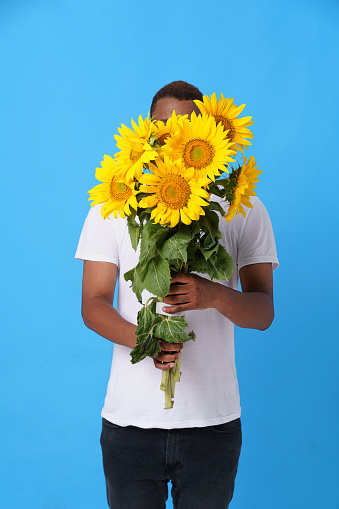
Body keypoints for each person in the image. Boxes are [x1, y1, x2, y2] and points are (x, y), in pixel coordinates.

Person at [75, 80, 279, 509]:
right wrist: (144, 341)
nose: (172, 134)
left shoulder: (242, 207)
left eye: (185, 125)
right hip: (129, 422)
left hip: (214, 422)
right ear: (148, 131)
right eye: (162, 125)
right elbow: (93, 304)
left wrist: (214, 295)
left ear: (204, 131)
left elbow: (263, 312)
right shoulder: (116, 201)